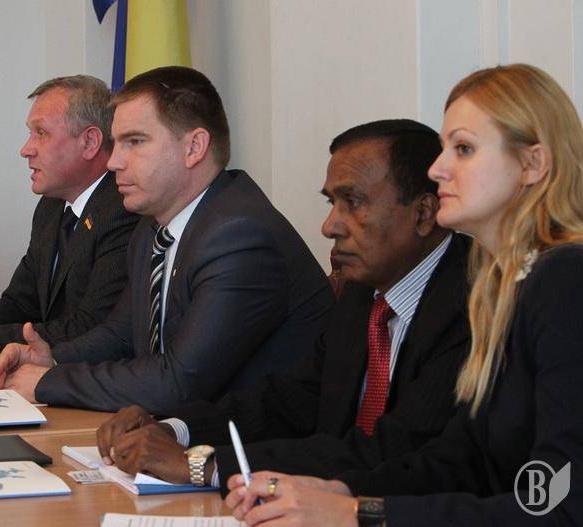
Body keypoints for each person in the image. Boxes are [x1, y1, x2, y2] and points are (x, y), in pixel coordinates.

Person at [226, 64, 583, 527]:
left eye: (464, 149)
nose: (437, 169)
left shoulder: (565, 279)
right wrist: (338, 492)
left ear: (532, 165)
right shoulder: (501, 285)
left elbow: (560, 509)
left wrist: (360, 517)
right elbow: (458, 462)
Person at [94, 119, 473, 490]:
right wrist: (173, 428)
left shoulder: (471, 306)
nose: (330, 226)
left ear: (424, 213)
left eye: (354, 202)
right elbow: (290, 400)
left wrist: (201, 465)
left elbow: (393, 452)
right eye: (333, 202)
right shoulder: (363, 292)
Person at [0, 66, 333, 412]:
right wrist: (51, 358)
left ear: (194, 147)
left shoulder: (239, 236)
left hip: (253, 447)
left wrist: (48, 381)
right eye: (117, 143)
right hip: (177, 431)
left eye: (135, 142)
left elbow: (178, 382)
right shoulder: (152, 228)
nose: (114, 162)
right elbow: (121, 335)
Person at [0, 75, 139, 362]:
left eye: (41, 133)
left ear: (90, 142)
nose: (25, 149)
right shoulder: (51, 207)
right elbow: (21, 302)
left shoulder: (123, 210)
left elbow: (91, 328)